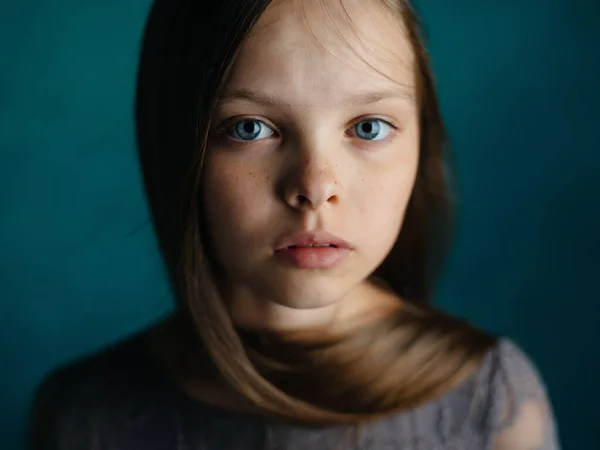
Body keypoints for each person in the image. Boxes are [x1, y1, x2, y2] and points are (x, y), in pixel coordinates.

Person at [30, 0, 560, 448]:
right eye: (251, 127)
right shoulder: (83, 417)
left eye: (369, 127)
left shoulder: (493, 402)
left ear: (423, 143)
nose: (314, 186)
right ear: (177, 149)